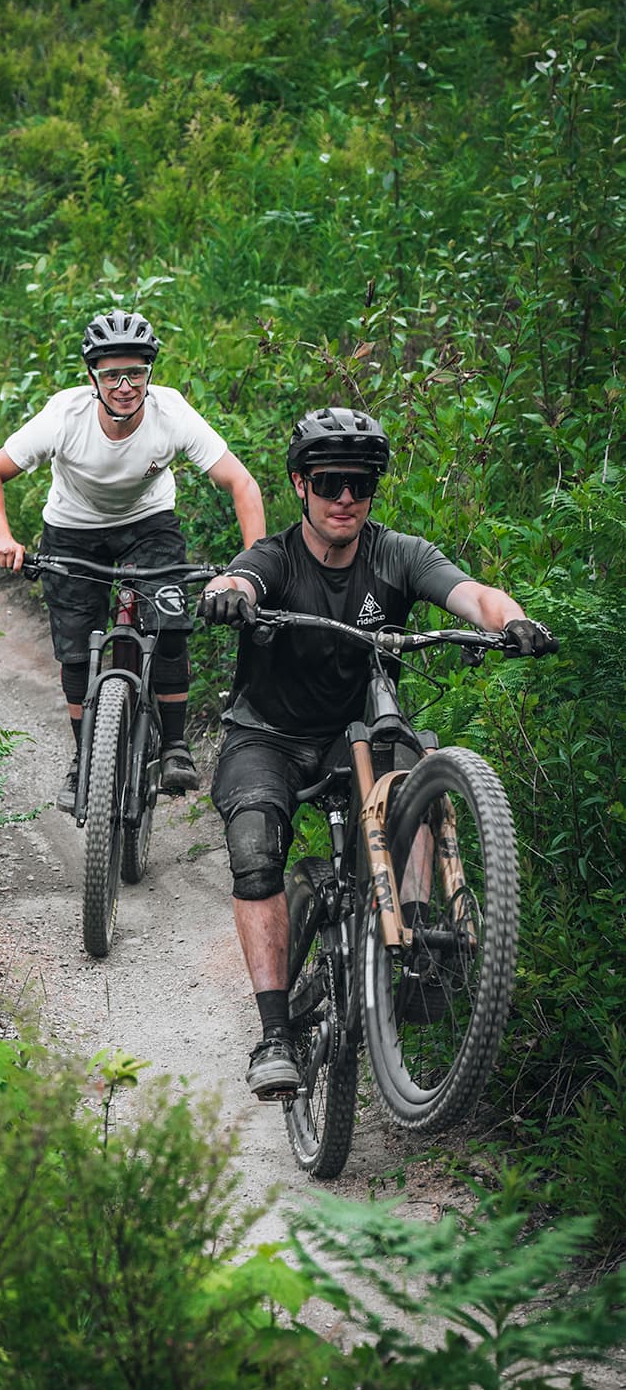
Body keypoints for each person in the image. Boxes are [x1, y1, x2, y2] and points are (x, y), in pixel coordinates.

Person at [197, 405, 559, 1101]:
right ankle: (274, 1035)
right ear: (300, 484)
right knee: (253, 842)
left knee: (415, 775)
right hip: (267, 734)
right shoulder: (274, 556)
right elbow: (236, 580)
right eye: (330, 482)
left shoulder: (398, 554)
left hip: (355, 735)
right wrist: (226, 597)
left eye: (360, 485)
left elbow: (473, 593)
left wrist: (512, 618)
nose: (345, 499)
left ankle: (416, 938)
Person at [0, 308, 266, 808]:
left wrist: (249, 569)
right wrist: (3, 537)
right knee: (73, 648)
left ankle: (175, 745)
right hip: (72, 532)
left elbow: (242, 483)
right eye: (111, 375)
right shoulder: (65, 416)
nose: (125, 386)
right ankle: (83, 758)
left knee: (169, 620)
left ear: (150, 373)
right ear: (93, 378)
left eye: (136, 373)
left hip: (149, 525)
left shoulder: (170, 413)